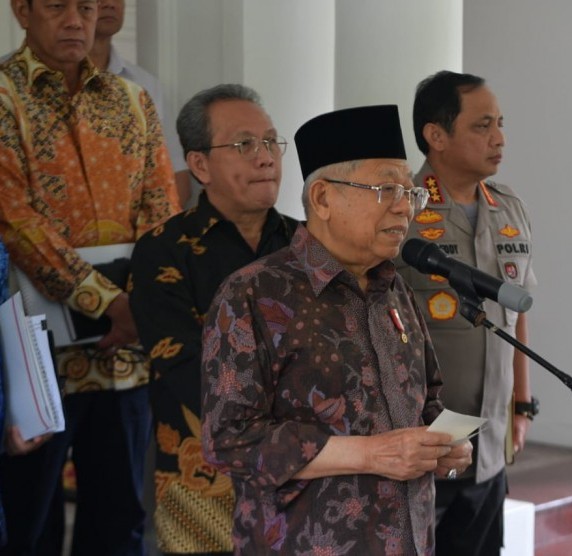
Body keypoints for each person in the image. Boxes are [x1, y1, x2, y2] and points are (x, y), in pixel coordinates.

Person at [201, 104, 472, 555]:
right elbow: (228, 440)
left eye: (411, 193)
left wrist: (446, 446)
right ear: (324, 198)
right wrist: (370, 454)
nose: (405, 207)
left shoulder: (394, 288)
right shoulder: (253, 294)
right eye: (387, 189)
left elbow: (428, 400)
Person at [0, 0, 181, 554]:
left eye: (85, 6)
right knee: (28, 519)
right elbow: (15, 217)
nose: (76, 20)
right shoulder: (5, 97)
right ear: (23, 10)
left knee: (120, 516)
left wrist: (141, 301)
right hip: (34, 354)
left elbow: (162, 207)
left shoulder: (132, 100)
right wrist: (109, 302)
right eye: (58, 6)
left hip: (124, 357)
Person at [130, 83, 299, 555]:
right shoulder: (163, 250)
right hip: (204, 487)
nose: (265, 158)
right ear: (200, 164)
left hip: (307, 484)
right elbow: (184, 367)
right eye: (244, 145)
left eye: (270, 142)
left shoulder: (310, 246)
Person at [395, 70, 538, 556]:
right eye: (482, 126)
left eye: (500, 124)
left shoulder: (509, 207)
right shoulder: (401, 211)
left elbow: (515, 314)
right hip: (424, 440)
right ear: (436, 135)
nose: (499, 139)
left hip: (491, 439)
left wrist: (522, 403)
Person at [89, 0, 192, 207]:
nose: (109, 3)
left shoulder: (145, 85)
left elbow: (177, 179)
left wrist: (150, 235)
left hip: (139, 232)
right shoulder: (10, 79)